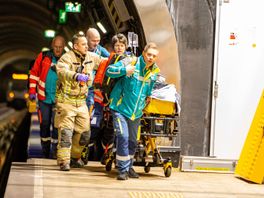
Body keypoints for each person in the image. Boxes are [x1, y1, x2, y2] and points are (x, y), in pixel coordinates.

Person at [105, 42, 160, 180]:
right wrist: (124, 70)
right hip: (120, 108)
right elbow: (109, 70)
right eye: (149, 54)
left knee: (132, 141)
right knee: (123, 137)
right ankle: (122, 170)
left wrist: (149, 96)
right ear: (143, 53)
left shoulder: (154, 71)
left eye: (154, 56)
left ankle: (129, 167)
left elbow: (149, 87)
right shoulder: (131, 61)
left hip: (136, 112)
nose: (151, 58)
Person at [55, 33, 103, 171]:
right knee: (66, 133)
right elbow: (61, 71)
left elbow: (105, 62)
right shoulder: (67, 58)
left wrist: (125, 60)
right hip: (67, 101)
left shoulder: (90, 57)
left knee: (84, 133)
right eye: (83, 44)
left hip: (81, 102)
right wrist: (76, 75)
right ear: (75, 46)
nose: (87, 46)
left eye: (87, 44)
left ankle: (75, 157)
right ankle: (64, 161)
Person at [28, 35, 65, 158]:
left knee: (56, 125)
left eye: (60, 47)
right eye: (56, 47)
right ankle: (45, 149)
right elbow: (34, 74)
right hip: (44, 97)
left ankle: (55, 150)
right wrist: (32, 91)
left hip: (59, 99)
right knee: (44, 123)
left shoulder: (67, 58)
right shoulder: (43, 57)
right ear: (52, 46)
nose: (58, 50)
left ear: (63, 47)